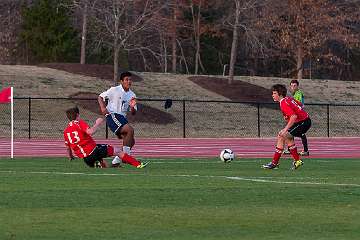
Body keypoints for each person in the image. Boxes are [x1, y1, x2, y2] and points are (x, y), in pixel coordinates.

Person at [63, 106, 148, 168]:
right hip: (93, 150)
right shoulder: (78, 123)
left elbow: (68, 147)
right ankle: (137, 164)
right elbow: (90, 132)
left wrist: (70, 156)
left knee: (103, 165)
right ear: (78, 114)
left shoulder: (66, 131)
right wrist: (97, 123)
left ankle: (101, 164)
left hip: (86, 158)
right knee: (118, 151)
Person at [263, 84, 311, 170]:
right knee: (282, 136)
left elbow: (293, 116)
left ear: (280, 94)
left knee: (285, 135)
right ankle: (276, 163)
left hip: (303, 122)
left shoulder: (283, 103)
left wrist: (285, 129)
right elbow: (300, 105)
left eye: (274, 93)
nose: (272, 95)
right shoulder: (288, 99)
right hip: (302, 121)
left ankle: (295, 161)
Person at [98, 71, 137, 168]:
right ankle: (126, 157)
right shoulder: (114, 90)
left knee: (131, 141)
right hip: (112, 115)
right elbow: (100, 97)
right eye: (126, 80)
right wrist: (103, 108)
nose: (129, 82)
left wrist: (132, 107)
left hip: (122, 118)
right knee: (130, 130)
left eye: (130, 80)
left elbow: (133, 112)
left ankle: (116, 162)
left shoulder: (132, 95)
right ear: (121, 81)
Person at [289, 79, 309, 156]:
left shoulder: (298, 93)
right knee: (293, 132)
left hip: (300, 117)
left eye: (294, 85)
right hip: (297, 117)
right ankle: (304, 150)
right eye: (291, 86)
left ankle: (293, 149)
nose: (293, 87)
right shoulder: (294, 94)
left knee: (291, 131)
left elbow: (300, 104)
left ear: (297, 86)